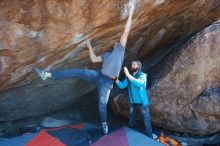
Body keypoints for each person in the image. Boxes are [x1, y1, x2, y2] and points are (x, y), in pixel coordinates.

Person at [34, 3, 135, 135]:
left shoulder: (120, 51)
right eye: (117, 41)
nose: (119, 41)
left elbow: (126, 32)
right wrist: (89, 47)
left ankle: (105, 125)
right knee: (77, 72)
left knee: (101, 106)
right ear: (114, 44)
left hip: (107, 83)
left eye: (120, 41)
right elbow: (94, 59)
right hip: (98, 75)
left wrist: (131, 11)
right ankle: (46, 75)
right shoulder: (107, 54)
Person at [116, 60, 153, 138]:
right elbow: (122, 86)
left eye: (134, 64)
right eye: (131, 64)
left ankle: (150, 138)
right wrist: (116, 80)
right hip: (133, 103)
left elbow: (138, 83)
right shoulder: (129, 76)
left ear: (138, 66)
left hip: (142, 103)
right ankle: (131, 135)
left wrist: (128, 75)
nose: (132, 66)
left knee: (146, 121)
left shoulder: (143, 75)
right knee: (131, 120)